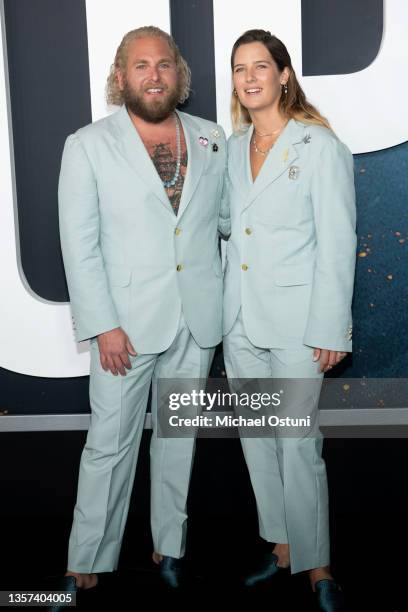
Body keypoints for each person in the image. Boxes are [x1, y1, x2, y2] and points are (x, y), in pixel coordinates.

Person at [54, 25, 226, 599]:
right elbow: (78, 245)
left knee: (178, 440)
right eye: (141, 65)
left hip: (197, 320)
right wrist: (102, 323)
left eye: (164, 64)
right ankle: (85, 563)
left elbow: (224, 227)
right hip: (122, 327)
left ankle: (169, 547)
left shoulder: (211, 138)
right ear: (121, 76)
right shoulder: (87, 145)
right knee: (110, 443)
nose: (154, 74)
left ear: (178, 74)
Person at [222, 29, 356, 611]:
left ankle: (318, 565)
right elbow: (228, 228)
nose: (249, 78)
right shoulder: (230, 149)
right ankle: (281, 548)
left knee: (297, 441)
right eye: (238, 69)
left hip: (300, 323)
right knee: (257, 440)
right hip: (239, 321)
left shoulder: (319, 147)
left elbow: (336, 241)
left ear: (283, 75)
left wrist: (331, 328)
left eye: (260, 67)